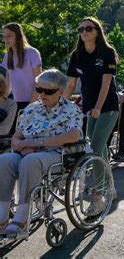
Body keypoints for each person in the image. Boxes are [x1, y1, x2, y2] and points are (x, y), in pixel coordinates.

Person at [0, 69, 82, 234]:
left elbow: (74, 135)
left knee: (31, 162)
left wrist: (37, 143)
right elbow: (16, 137)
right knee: (4, 160)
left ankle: (22, 216)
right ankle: (2, 214)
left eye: (48, 91)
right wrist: (21, 146)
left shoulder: (70, 109)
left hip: (57, 153)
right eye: (39, 89)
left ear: (60, 91)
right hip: (27, 152)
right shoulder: (32, 109)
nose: (42, 94)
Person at [63, 17, 119, 189]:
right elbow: (71, 85)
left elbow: (106, 83)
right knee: (99, 149)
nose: (84, 32)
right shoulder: (76, 55)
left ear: (97, 31)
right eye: (81, 30)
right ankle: (110, 189)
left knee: (94, 148)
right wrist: (59, 107)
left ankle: (100, 192)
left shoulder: (107, 52)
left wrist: (98, 107)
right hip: (89, 108)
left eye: (88, 28)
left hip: (107, 107)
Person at [1, 23, 42, 133]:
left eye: (9, 36)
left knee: (29, 137)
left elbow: (39, 82)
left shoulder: (32, 53)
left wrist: (30, 106)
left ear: (18, 35)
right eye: (4, 36)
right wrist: (2, 100)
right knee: (12, 137)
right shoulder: (7, 55)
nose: (6, 39)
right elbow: (8, 83)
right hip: (16, 104)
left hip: (34, 103)